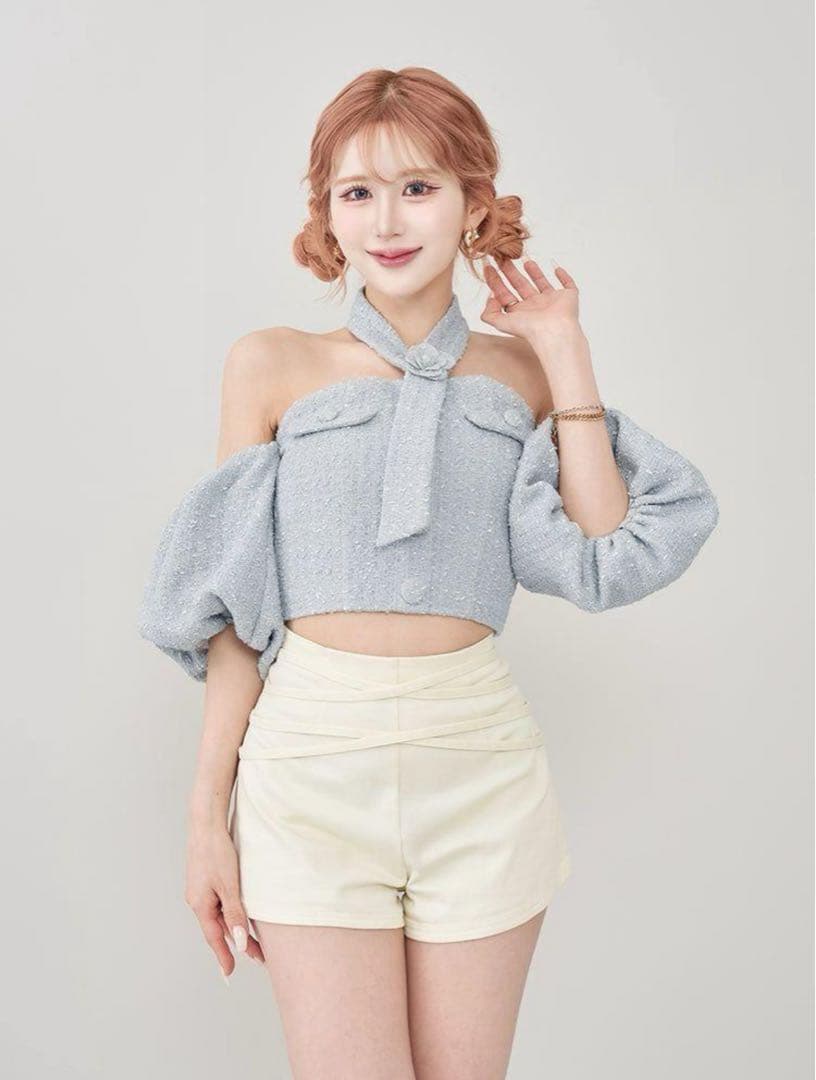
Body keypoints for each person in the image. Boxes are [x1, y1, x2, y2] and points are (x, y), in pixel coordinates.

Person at [138, 67, 719, 1079]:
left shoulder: (520, 375)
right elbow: (232, 612)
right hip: (311, 762)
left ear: (473, 204)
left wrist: (564, 353)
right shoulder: (272, 364)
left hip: (479, 758)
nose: (387, 220)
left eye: (419, 187)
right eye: (356, 192)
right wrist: (205, 821)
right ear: (326, 213)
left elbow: (602, 549)